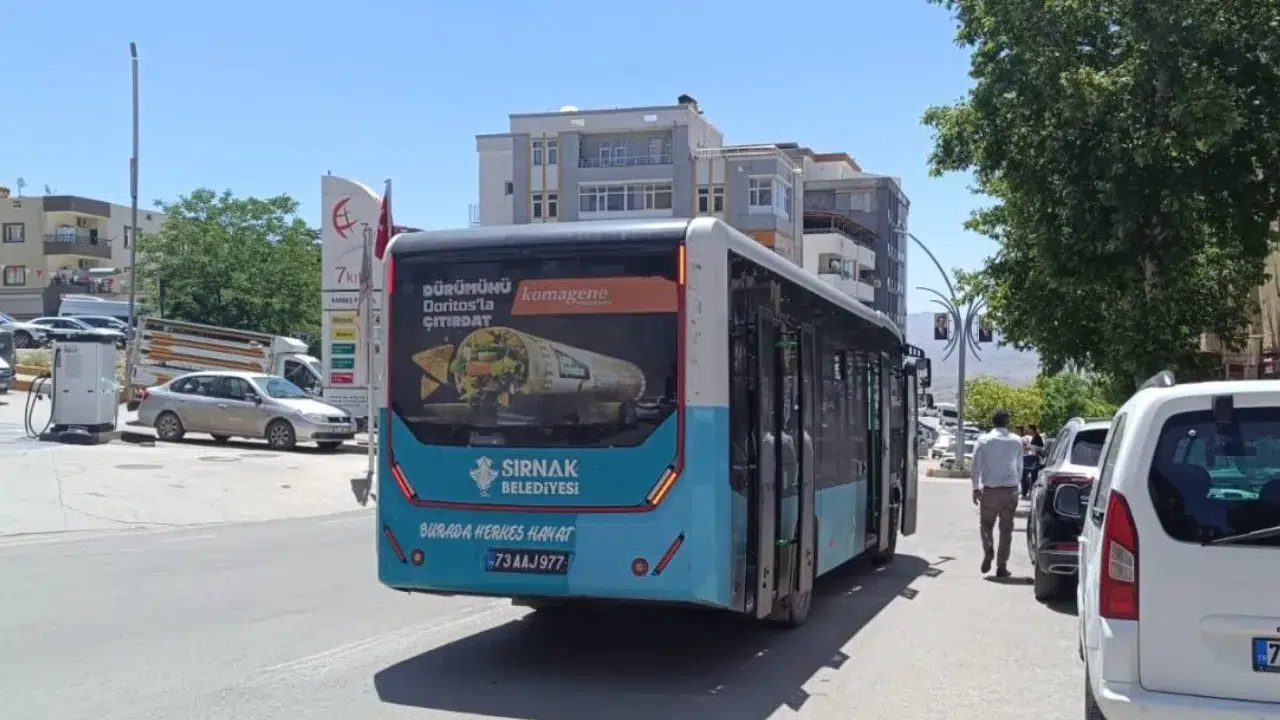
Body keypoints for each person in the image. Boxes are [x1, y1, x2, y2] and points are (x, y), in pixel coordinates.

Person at [971, 409, 1023, 577]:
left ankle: (988, 548)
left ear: (992, 422)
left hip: (990, 490)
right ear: (1007, 422)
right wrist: (1017, 486)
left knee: (986, 524)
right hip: (1010, 490)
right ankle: (1001, 566)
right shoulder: (1016, 441)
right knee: (1006, 529)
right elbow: (1019, 466)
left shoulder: (984, 440)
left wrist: (975, 487)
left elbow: (975, 465)